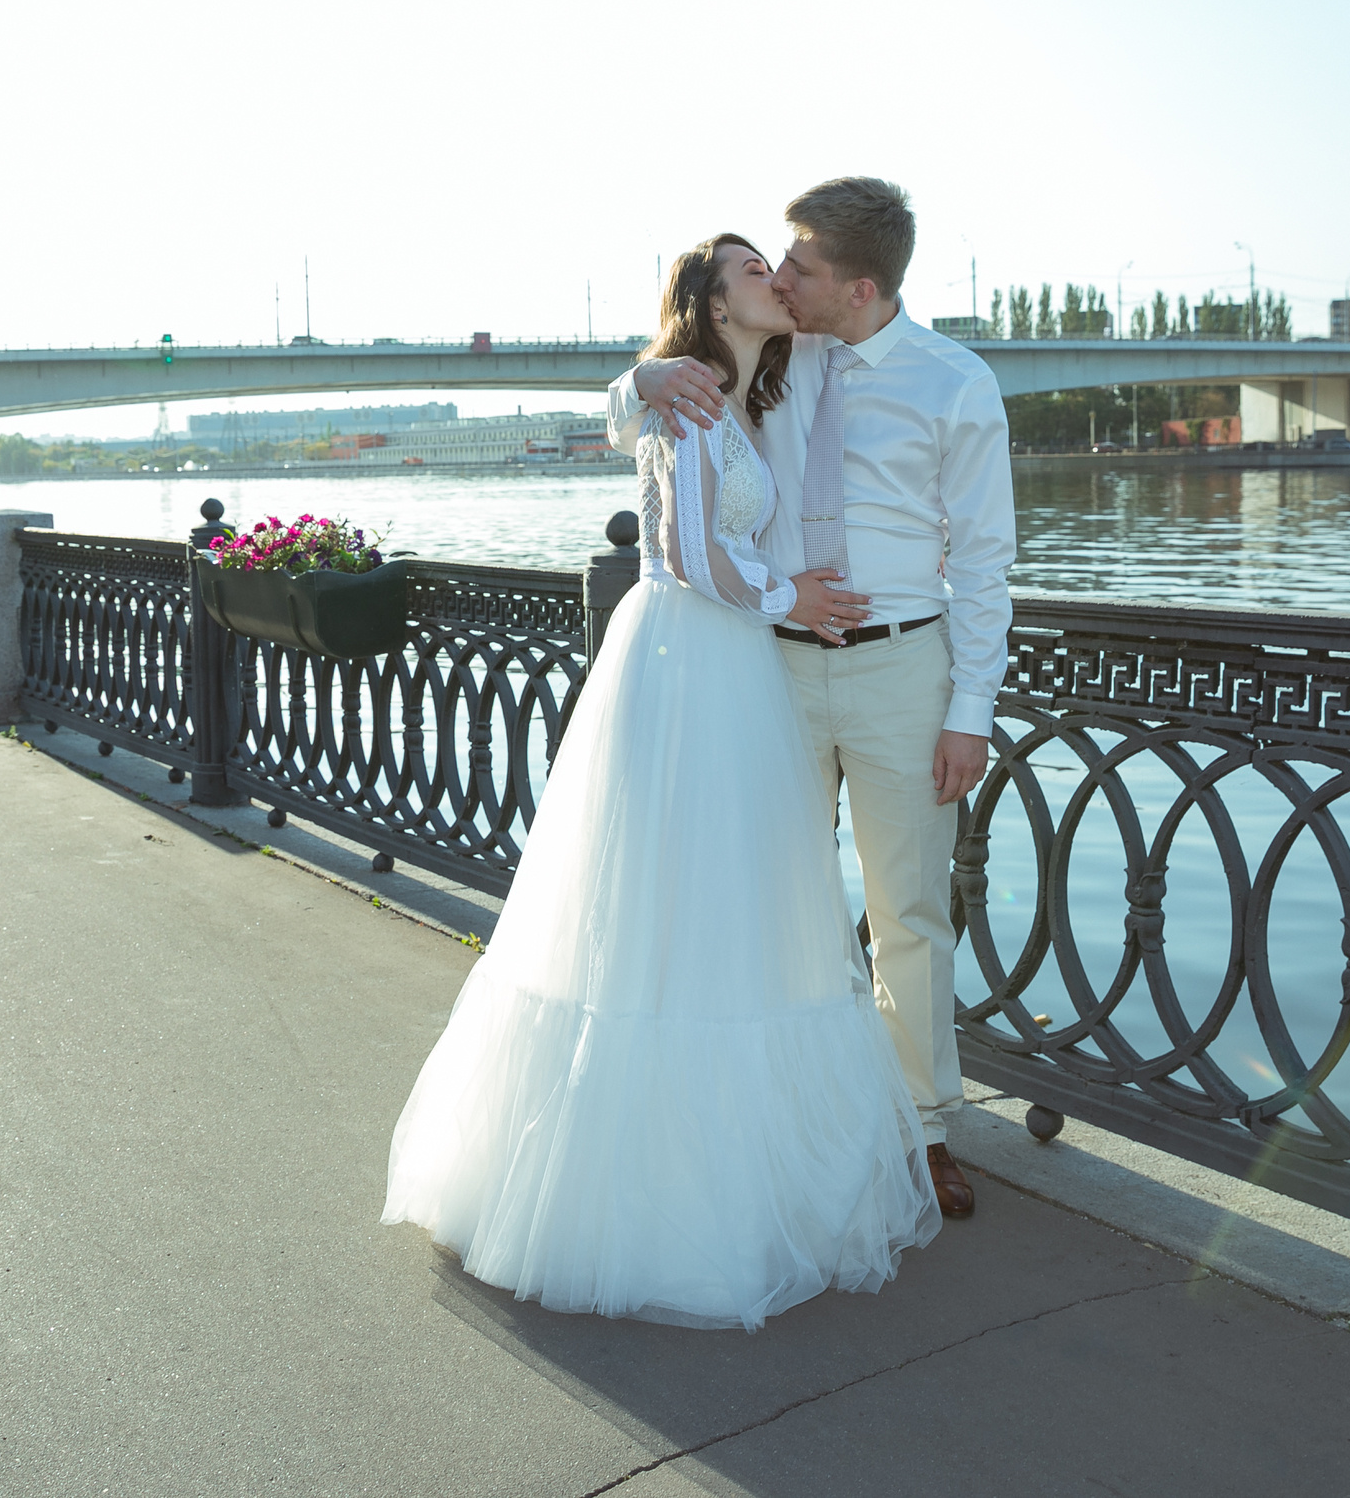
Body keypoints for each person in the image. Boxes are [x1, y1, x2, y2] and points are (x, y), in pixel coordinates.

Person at [382, 234, 940, 1331]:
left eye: (776, 271)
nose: (771, 283)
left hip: (729, 664)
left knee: (732, 905)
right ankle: (657, 1194)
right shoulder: (687, 397)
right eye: (748, 273)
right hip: (692, 663)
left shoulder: (740, 391)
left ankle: (738, 1165)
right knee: (672, 899)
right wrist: (797, 601)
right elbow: (686, 553)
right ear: (707, 302)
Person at [610, 177, 1017, 1220]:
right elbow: (641, 423)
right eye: (773, 265)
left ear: (860, 288)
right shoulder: (771, 361)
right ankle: (791, 1115)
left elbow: (983, 561)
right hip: (765, 666)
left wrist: (970, 710)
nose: (781, 280)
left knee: (909, 911)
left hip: (900, 669)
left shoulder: (954, 383)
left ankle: (923, 1131)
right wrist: (643, 380)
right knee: (768, 903)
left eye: (800, 268)